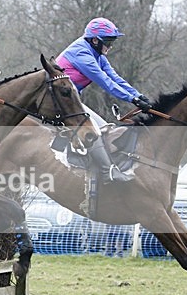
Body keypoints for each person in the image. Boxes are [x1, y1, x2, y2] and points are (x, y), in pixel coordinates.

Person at [55, 17, 152, 183]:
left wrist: (138, 95)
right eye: (108, 41)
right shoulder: (81, 53)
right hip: (57, 100)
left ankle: (101, 169)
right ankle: (107, 173)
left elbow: (115, 78)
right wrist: (132, 100)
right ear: (94, 40)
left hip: (69, 100)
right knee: (94, 130)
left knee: (104, 128)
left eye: (112, 41)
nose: (111, 46)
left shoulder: (97, 54)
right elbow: (105, 82)